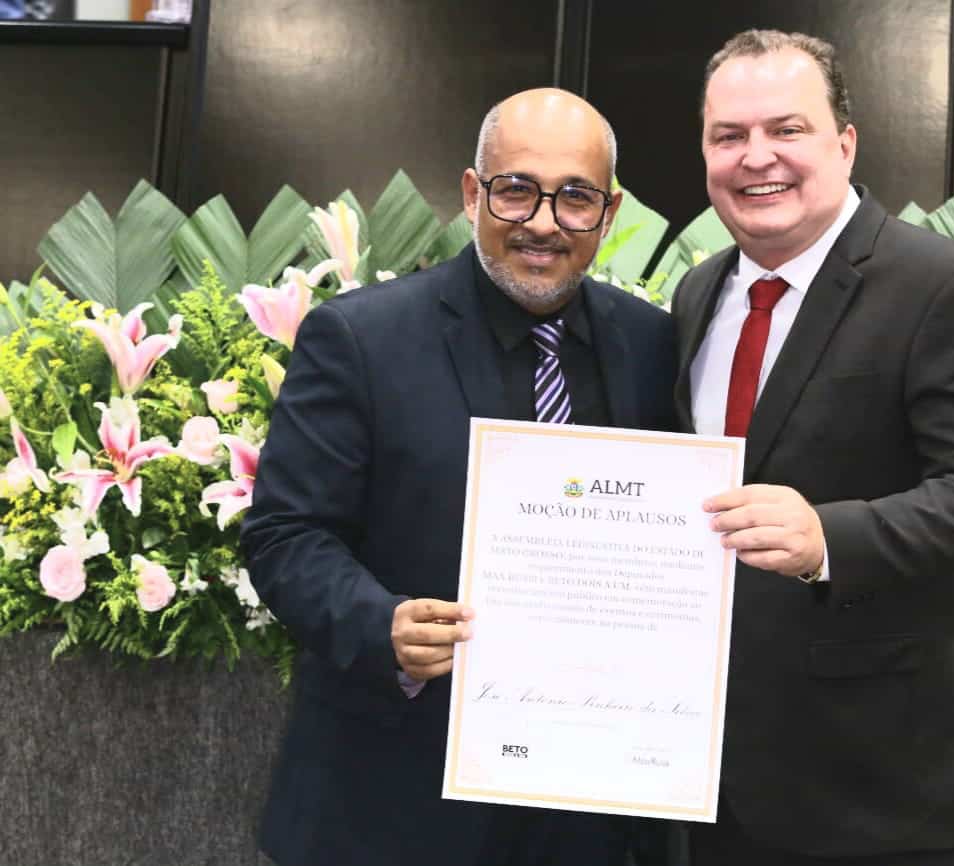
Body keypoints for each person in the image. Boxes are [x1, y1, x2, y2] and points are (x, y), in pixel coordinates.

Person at [241, 88, 677, 866]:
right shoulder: (361, 337)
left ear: (608, 215)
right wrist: (383, 624)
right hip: (392, 800)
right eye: (516, 189)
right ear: (473, 193)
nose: (542, 221)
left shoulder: (651, 345)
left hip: (589, 808)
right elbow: (285, 534)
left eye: (575, 197)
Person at [670, 30, 954, 866]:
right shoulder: (697, 292)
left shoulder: (943, 286)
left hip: (891, 792)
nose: (756, 157)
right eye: (728, 136)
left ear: (844, 142)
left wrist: (827, 537)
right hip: (722, 784)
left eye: (785, 129)